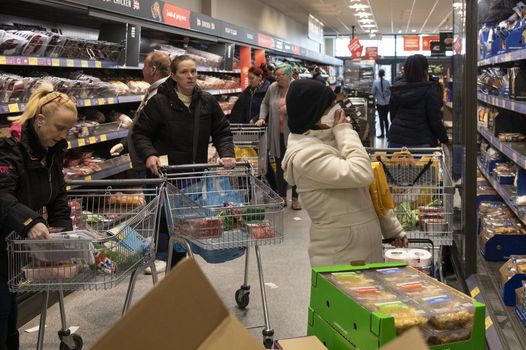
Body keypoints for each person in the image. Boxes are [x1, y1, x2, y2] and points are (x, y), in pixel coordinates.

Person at [282, 79, 407, 267]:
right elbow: (361, 173)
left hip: (365, 251)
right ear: (314, 114)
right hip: (340, 256)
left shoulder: (331, 138)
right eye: (331, 105)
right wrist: (345, 130)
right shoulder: (305, 156)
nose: (338, 109)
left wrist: (392, 229)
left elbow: (367, 191)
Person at [133, 54, 236, 268]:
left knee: (192, 228)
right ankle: (175, 278)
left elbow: (222, 131)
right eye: (184, 72)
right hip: (168, 178)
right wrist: (149, 154)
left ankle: (182, 274)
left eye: (193, 71)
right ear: (173, 75)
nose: (190, 76)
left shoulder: (207, 101)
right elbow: (140, 133)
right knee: (173, 231)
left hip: (194, 177)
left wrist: (227, 153)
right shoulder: (159, 102)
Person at [0, 83, 78, 350]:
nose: (64, 134)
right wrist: (30, 221)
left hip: (10, 247)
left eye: (68, 129)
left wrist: (65, 234)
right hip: (4, 238)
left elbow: (58, 196)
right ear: (40, 120)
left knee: (9, 316)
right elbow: (1, 194)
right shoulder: (10, 149)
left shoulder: (52, 152)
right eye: (60, 128)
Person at [109, 51, 171, 173]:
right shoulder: (155, 90)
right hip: (148, 159)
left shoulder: (162, 93)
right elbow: (144, 125)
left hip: (153, 164)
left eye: (144, 66)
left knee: (156, 191)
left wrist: (151, 156)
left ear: (153, 69)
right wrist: (125, 143)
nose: (142, 70)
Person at [256, 64, 301, 210]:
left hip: (294, 135)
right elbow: (265, 103)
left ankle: (295, 198)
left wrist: (292, 107)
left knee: (294, 166)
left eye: (281, 75)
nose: (278, 77)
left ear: (289, 75)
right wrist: (262, 117)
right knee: (280, 166)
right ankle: (282, 197)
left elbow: (304, 106)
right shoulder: (273, 88)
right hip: (277, 134)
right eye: (276, 75)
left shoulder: (297, 87)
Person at [388, 54, 448, 148]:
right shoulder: (429, 89)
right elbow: (434, 121)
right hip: (422, 142)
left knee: (394, 163)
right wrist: (445, 139)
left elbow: (392, 116)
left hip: (396, 141)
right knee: (424, 163)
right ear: (425, 70)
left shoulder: (397, 88)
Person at [371, 69, 391, 138]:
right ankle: (388, 133)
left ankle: (382, 134)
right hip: (386, 103)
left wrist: (376, 96)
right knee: (386, 118)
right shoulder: (387, 82)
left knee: (380, 118)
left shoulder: (375, 82)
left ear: (378, 74)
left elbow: (373, 92)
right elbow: (389, 92)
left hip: (379, 103)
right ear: (384, 74)